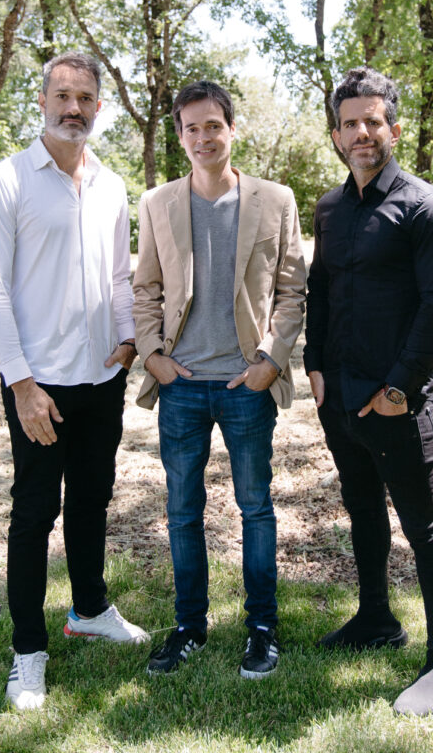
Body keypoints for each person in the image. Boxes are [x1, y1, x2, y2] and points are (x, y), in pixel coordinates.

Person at [0, 52, 149, 711]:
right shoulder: (5, 182)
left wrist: (128, 341)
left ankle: (90, 609)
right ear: (42, 100)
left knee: (92, 499)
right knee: (33, 512)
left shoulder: (110, 184)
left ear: (99, 107)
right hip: (37, 384)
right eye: (62, 95)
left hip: (101, 376)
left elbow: (118, 275)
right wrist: (20, 384)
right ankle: (28, 651)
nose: (73, 108)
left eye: (85, 98)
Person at [132, 81, 306, 679]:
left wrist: (270, 361)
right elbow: (146, 288)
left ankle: (262, 627)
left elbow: (292, 291)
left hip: (245, 385)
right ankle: (189, 626)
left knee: (255, 507)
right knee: (182, 511)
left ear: (232, 129)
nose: (203, 137)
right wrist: (153, 356)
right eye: (192, 128)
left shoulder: (275, 200)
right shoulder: (157, 203)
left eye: (213, 126)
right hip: (180, 385)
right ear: (180, 136)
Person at [304, 67, 433, 716]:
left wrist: (399, 388)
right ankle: (375, 618)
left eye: (373, 121)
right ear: (336, 136)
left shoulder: (425, 207)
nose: (361, 133)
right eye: (350, 124)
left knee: (422, 524)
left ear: (393, 128)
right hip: (340, 398)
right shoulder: (329, 208)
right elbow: (319, 289)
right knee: (362, 508)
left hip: (397, 403)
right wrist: (313, 365)